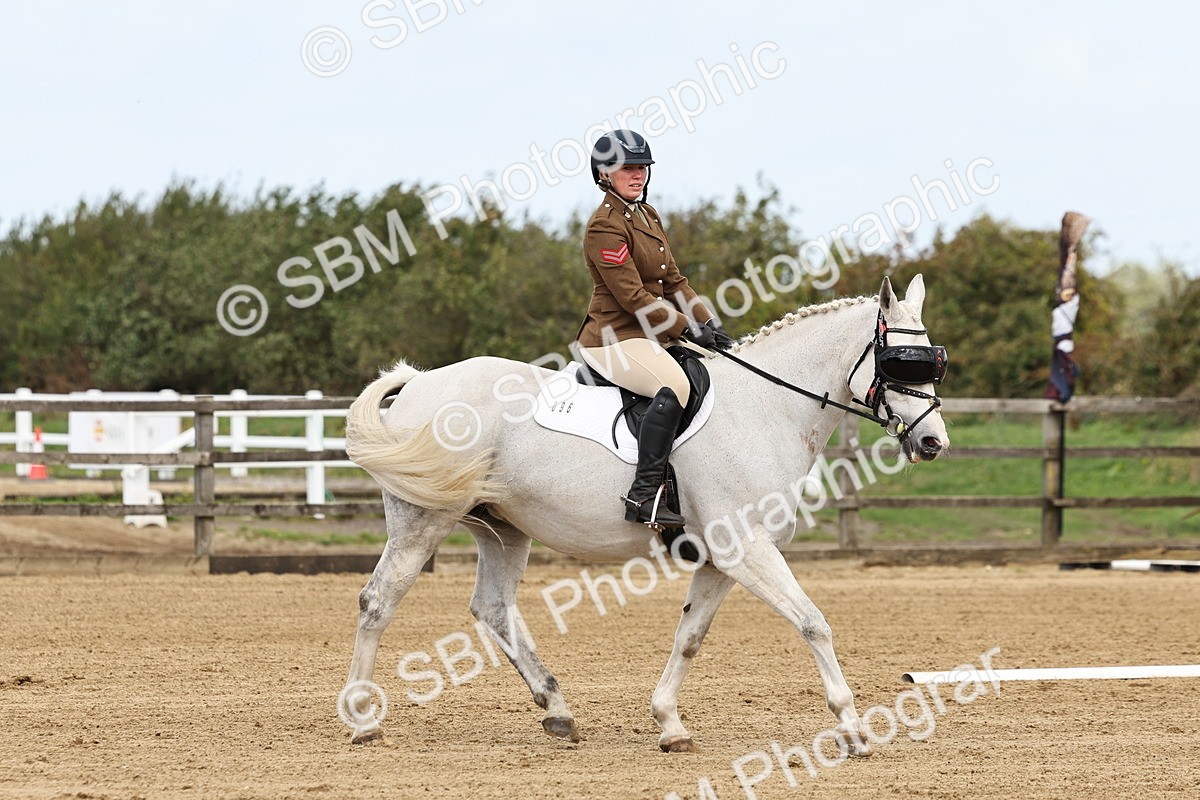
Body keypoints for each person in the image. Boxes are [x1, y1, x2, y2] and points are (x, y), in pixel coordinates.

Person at [574, 130, 734, 530]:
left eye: (642, 167)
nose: (638, 175)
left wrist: (709, 323)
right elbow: (632, 297)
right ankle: (643, 495)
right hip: (615, 337)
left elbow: (676, 282)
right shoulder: (604, 227)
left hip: (652, 335)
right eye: (628, 168)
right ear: (604, 174)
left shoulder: (648, 215)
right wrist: (686, 328)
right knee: (674, 388)